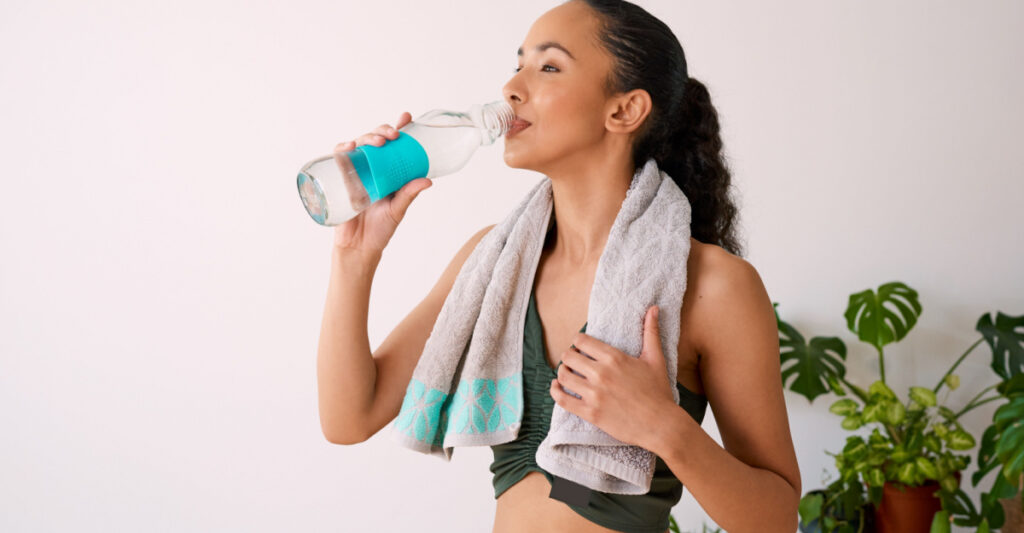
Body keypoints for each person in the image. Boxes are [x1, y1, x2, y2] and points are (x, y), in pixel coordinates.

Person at [317, 1, 802, 531]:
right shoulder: (493, 264)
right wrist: (355, 256)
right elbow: (349, 419)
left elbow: (775, 517)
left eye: (548, 67)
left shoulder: (714, 286)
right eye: (517, 62)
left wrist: (664, 427)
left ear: (623, 111)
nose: (511, 88)